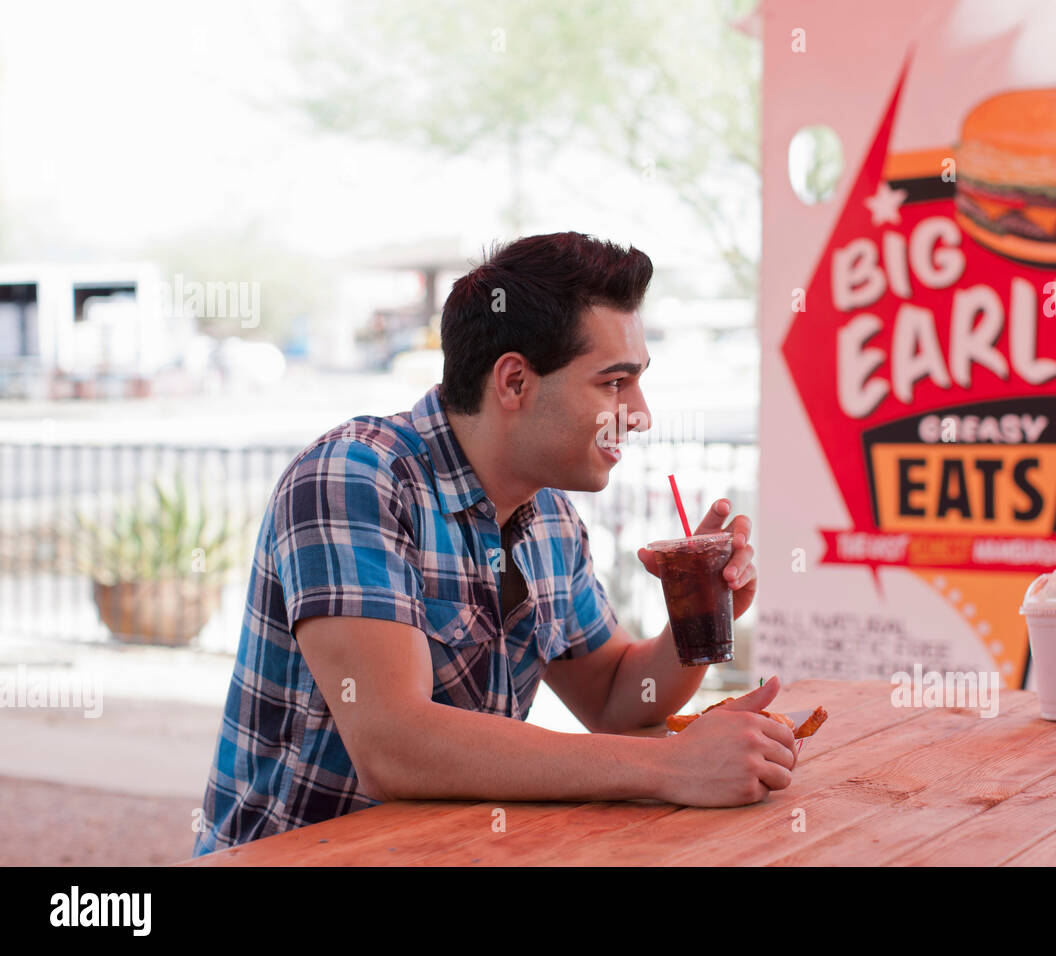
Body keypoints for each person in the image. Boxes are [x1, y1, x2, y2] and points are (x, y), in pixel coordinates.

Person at [193, 231, 793, 857]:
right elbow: (393, 745)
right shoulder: (355, 476)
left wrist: (694, 613)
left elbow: (618, 699)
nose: (640, 414)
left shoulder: (552, 515)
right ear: (513, 383)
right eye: (615, 383)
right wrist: (673, 767)